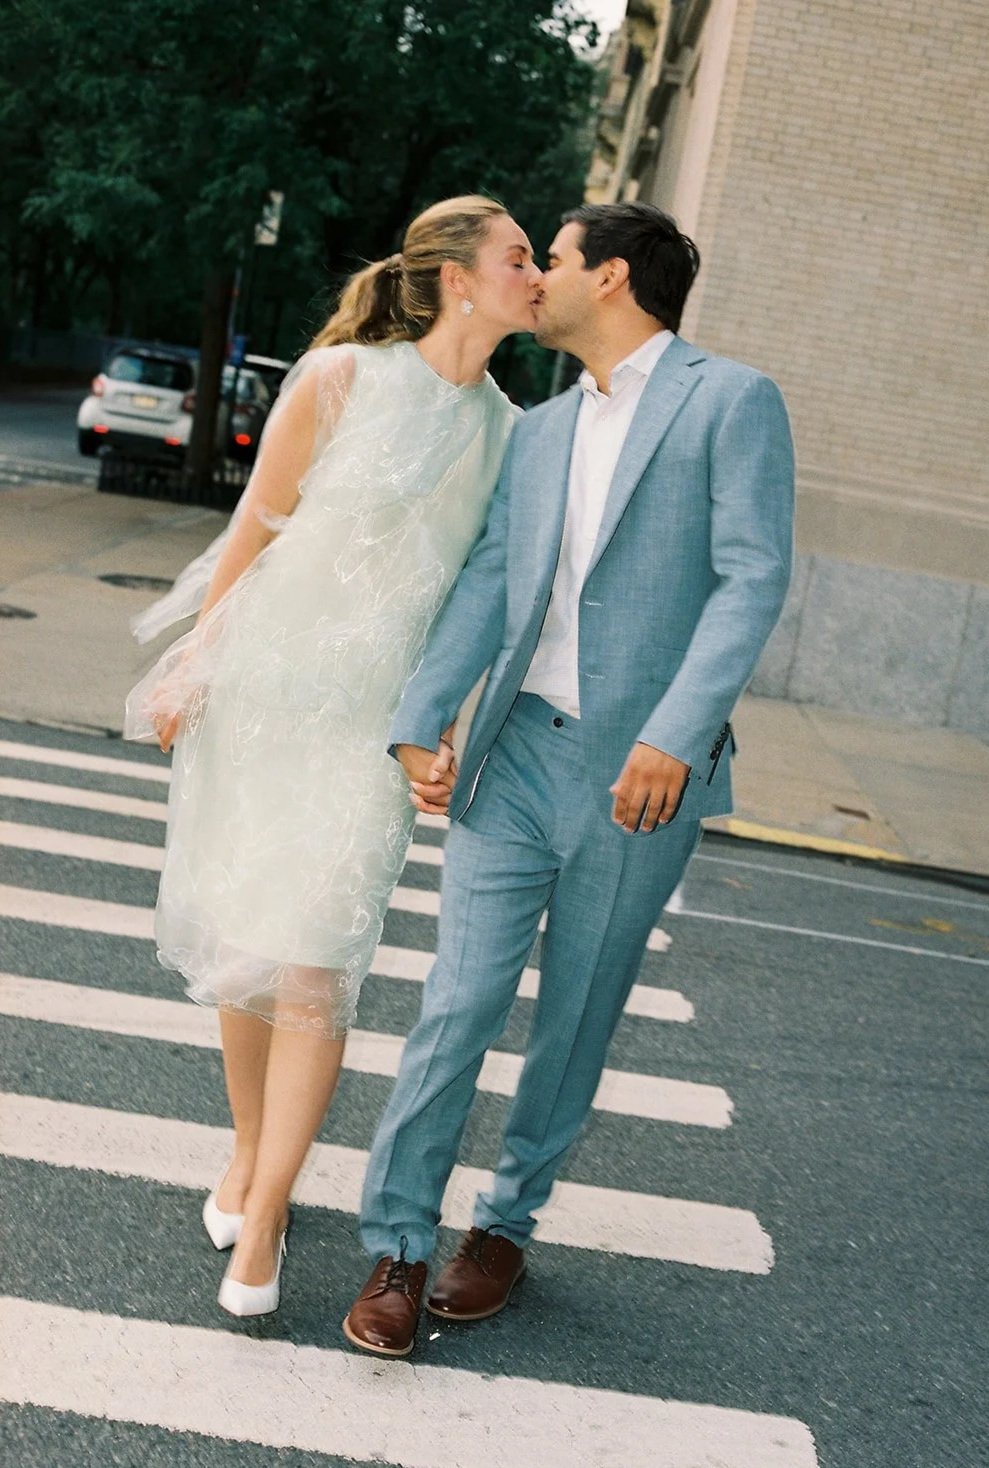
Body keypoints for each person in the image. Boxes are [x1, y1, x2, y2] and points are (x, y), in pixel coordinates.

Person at [344, 200, 795, 1357]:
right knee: (456, 1003)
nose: (536, 278)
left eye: (553, 259)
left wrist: (675, 732)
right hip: (517, 753)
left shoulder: (729, 399)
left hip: (638, 780)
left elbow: (750, 577)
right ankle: (396, 1241)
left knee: (576, 1017)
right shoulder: (540, 429)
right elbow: (496, 578)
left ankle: (500, 1228)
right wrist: (420, 716)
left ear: (612, 278)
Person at [124, 195, 543, 1318]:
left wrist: (443, 726)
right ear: (457, 276)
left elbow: (481, 603)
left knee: (318, 956)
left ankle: (264, 1217)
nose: (536, 272)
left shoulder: (514, 434)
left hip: (371, 725)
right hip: (267, 686)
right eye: (517, 256)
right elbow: (255, 525)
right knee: (253, 928)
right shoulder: (339, 380)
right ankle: (251, 1157)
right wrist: (193, 663)